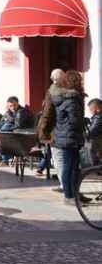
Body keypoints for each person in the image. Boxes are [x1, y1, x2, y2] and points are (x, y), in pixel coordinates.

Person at [51, 70, 87, 204]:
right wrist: (83, 122)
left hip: (68, 136)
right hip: (69, 136)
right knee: (69, 167)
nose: (81, 83)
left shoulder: (68, 97)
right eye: (79, 80)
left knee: (74, 167)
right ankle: (69, 196)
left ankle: (74, 194)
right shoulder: (72, 98)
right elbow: (74, 120)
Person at [36, 68, 65, 176]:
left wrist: (42, 129)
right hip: (65, 127)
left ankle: (63, 183)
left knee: (57, 156)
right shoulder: (70, 90)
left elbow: (48, 112)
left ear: (53, 79)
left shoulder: (52, 92)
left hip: (55, 128)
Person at [87, 98, 102, 166]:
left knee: (95, 153)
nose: (90, 111)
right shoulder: (97, 116)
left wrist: (86, 134)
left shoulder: (99, 117)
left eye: (91, 109)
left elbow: (93, 129)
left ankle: (97, 168)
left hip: (98, 139)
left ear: (96, 108)